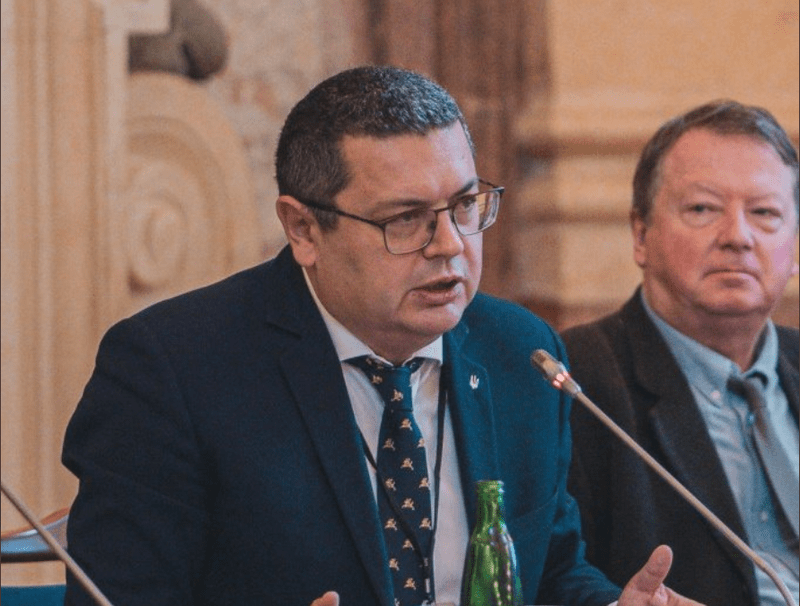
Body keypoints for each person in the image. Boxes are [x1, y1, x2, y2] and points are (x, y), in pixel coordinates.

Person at [62, 65, 702, 606]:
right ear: (303, 229)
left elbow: (551, 574)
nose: (450, 245)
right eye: (406, 220)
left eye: (465, 206)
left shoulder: (520, 354)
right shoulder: (173, 371)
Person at [563, 100, 799, 606]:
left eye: (764, 213)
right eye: (702, 209)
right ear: (640, 234)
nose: (737, 237)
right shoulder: (576, 381)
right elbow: (548, 574)